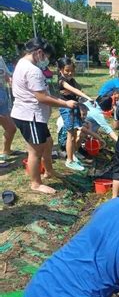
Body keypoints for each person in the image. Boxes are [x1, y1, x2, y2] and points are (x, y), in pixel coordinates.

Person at [10, 37, 77, 194]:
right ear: (39, 52)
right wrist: (65, 103)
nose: (46, 60)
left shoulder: (22, 63)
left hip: (32, 114)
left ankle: (49, 171)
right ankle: (36, 183)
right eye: (46, 57)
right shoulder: (32, 70)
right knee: (35, 151)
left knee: (48, 142)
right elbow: (41, 97)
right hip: (29, 116)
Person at [57, 57, 93, 171]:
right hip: (67, 109)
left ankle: (72, 155)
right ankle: (69, 160)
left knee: (74, 134)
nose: (70, 73)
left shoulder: (72, 80)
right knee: (70, 135)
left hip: (74, 107)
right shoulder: (61, 81)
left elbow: (79, 89)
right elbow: (74, 90)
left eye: (72, 70)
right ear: (60, 70)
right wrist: (87, 97)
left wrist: (82, 96)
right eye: (67, 70)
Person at [0, 55, 17, 168]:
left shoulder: (0, 59)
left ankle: (6, 151)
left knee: (11, 128)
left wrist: (10, 79)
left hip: (2, 92)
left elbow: (6, 75)